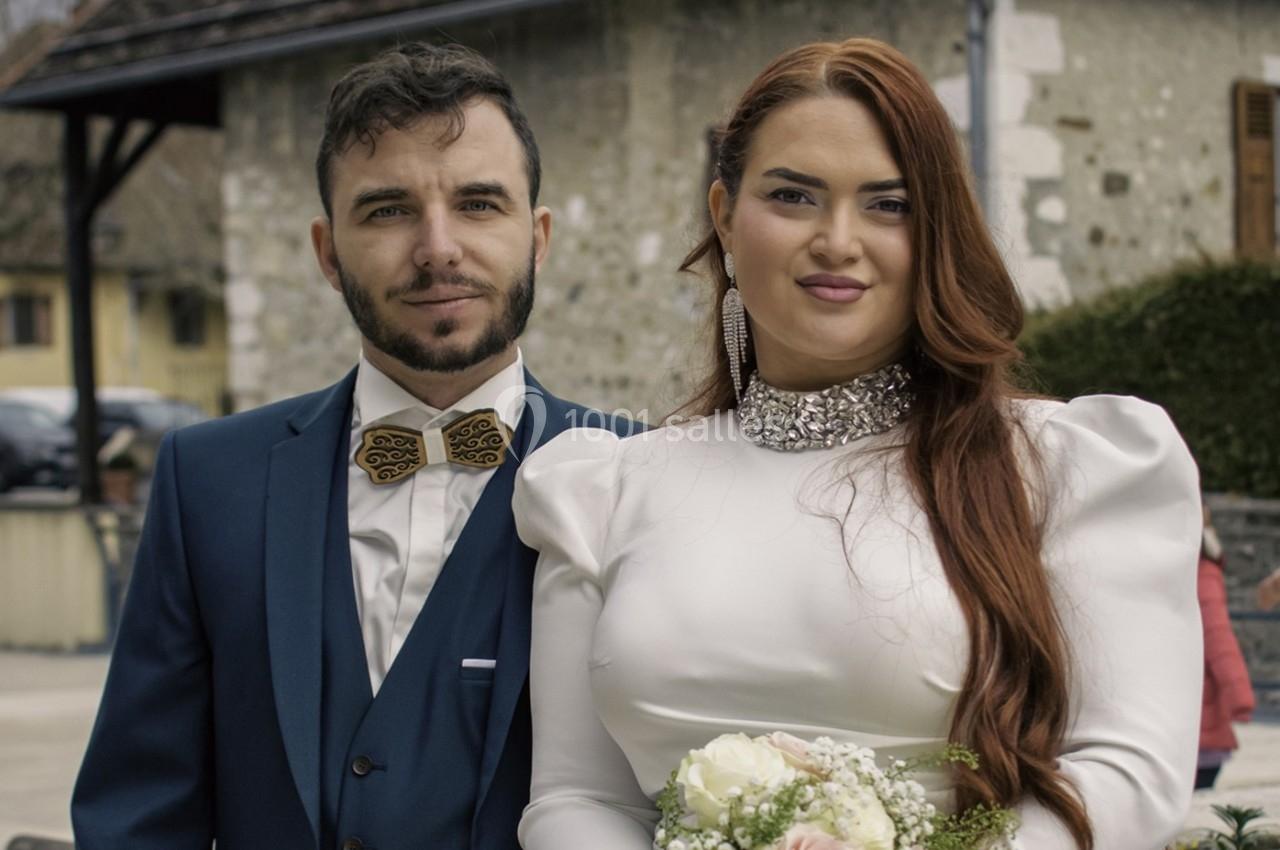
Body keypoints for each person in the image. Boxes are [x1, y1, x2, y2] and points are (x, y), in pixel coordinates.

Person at [511, 37, 1202, 850]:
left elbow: (1126, 772)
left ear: (935, 232)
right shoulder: (603, 491)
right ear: (725, 217)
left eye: (889, 204)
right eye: (794, 196)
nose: (838, 240)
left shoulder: (1069, 468)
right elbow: (574, 799)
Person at [71, 42, 627, 850]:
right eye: (388, 209)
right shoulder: (208, 481)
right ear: (328, 252)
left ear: (538, 237)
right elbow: (138, 816)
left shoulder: (639, 474)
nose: (438, 247)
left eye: (478, 203)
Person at [1196, 508, 1255, 790]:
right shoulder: (1200, 569)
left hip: (1195, 730)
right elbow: (1220, 638)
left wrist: (1240, 698)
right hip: (1197, 730)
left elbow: (1218, 638)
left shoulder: (1199, 572)